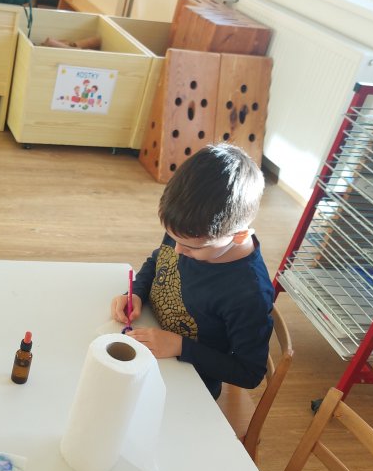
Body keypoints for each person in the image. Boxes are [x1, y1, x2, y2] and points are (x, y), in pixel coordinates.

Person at [111, 144, 273, 399]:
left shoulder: (249, 294)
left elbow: (249, 373)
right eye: (172, 238)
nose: (177, 250)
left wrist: (180, 346)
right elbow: (159, 260)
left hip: (190, 382)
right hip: (149, 338)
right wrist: (137, 292)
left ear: (239, 236)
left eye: (191, 247)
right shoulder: (188, 227)